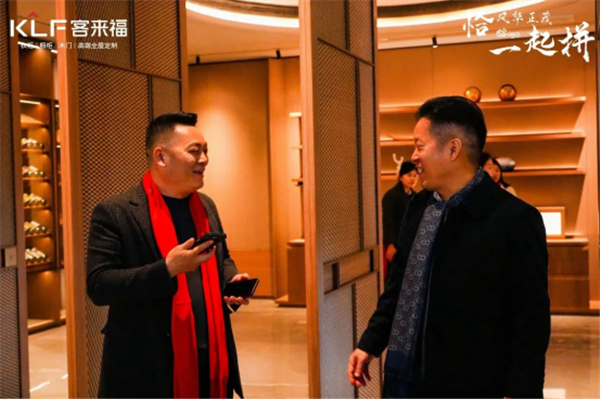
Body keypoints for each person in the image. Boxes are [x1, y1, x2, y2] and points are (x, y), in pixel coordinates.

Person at [348, 96, 550, 398]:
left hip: (469, 382)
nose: (414, 157)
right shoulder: (418, 207)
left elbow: (530, 319)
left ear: (453, 148)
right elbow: (399, 286)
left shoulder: (514, 219)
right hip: (403, 377)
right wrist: (370, 343)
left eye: (420, 146)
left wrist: (522, 391)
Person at [87, 112, 249, 399]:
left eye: (206, 151)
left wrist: (230, 278)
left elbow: (221, 257)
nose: (204, 159)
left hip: (211, 360)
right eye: (194, 151)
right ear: (161, 157)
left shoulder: (206, 205)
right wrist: (167, 269)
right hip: (147, 366)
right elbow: (99, 285)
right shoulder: (116, 212)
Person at [382, 162, 418, 276]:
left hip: (410, 243)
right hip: (396, 243)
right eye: (409, 175)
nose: (412, 179)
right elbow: (388, 222)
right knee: (395, 276)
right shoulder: (391, 196)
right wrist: (390, 244)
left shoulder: (415, 196)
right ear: (401, 177)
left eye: (415, 175)